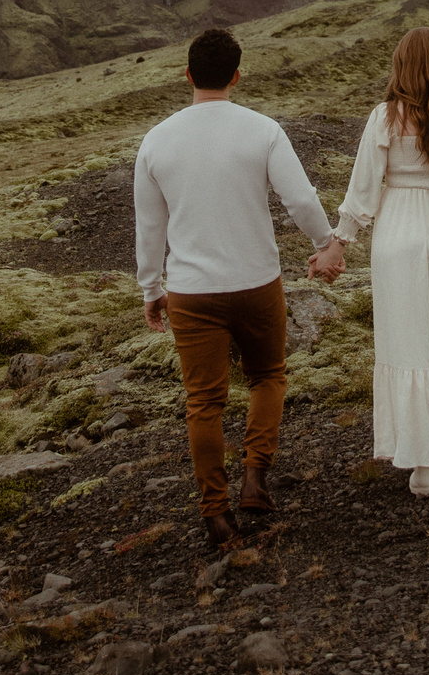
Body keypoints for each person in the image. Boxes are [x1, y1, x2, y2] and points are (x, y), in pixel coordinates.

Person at [135, 27, 336, 548]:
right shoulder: (262, 130)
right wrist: (326, 243)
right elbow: (300, 200)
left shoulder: (156, 141)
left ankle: (215, 515)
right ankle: (255, 477)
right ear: (237, 75)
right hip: (256, 282)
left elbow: (149, 227)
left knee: (204, 401)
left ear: (187, 75)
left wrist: (150, 288)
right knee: (268, 376)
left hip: (190, 292)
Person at [307, 26, 429, 498]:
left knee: (410, 346)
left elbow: (363, 191)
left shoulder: (385, 119)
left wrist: (338, 244)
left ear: (401, 68)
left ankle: (424, 465)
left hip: (400, 238)